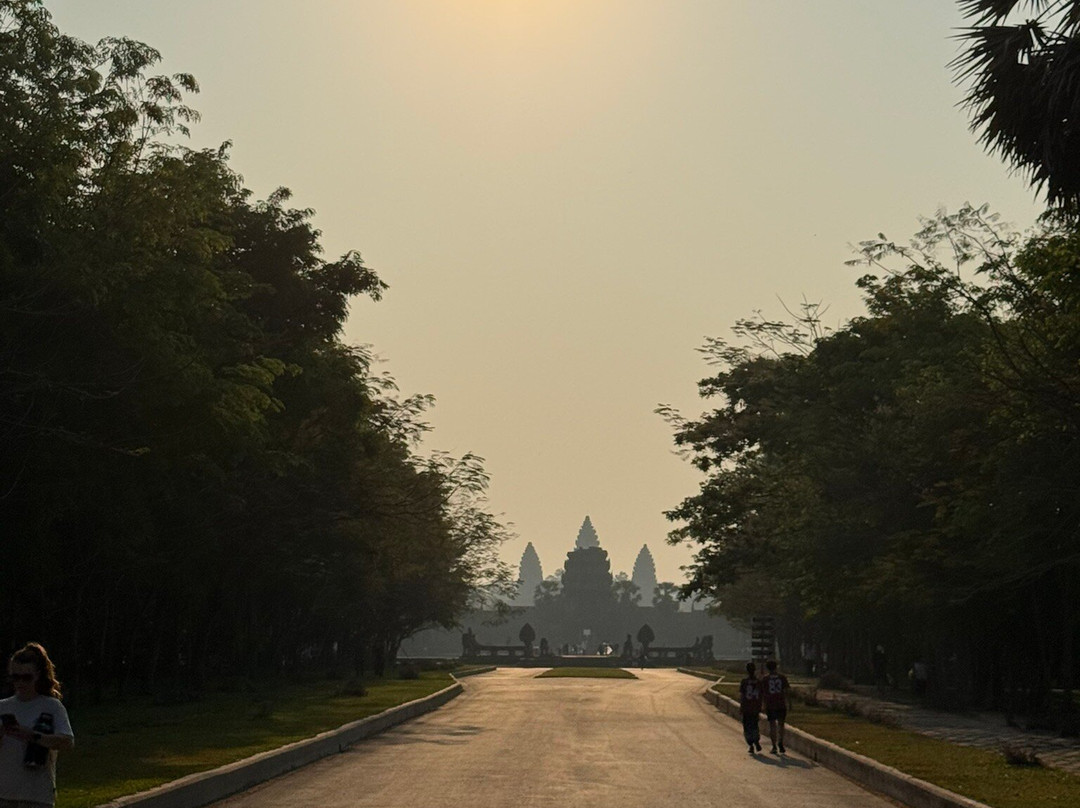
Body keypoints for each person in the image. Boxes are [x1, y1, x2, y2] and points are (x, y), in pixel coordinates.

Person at [0, 643, 74, 808]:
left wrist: (32, 735)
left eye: (26, 677)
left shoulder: (51, 706)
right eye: (15, 677)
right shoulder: (3, 707)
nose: (20, 682)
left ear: (38, 675)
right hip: (4, 793)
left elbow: (67, 742)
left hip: (36, 795)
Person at [762, 659, 790, 754]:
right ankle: (781, 742)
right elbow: (786, 691)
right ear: (776, 667)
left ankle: (774, 746)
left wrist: (764, 704)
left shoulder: (765, 679)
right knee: (781, 724)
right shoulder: (782, 677)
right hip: (781, 703)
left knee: (772, 725)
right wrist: (789, 703)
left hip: (771, 704)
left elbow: (764, 693)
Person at [738, 662, 763, 754]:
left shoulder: (744, 682)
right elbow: (761, 694)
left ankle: (751, 744)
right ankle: (756, 740)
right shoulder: (758, 682)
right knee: (755, 724)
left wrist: (741, 706)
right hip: (755, 706)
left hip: (746, 706)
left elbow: (742, 695)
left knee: (747, 726)